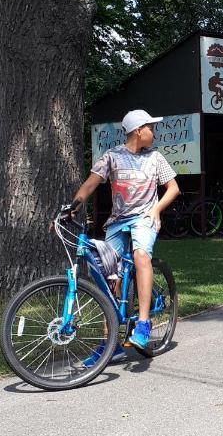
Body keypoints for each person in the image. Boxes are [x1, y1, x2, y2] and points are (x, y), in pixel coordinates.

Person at [72, 109, 179, 361]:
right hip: (118, 222)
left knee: (141, 255)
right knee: (108, 276)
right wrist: (72, 207)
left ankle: (143, 323)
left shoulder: (155, 158)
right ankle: (110, 343)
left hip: (145, 218)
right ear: (138, 131)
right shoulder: (112, 157)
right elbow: (90, 183)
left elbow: (173, 188)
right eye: (151, 128)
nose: (155, 133)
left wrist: (156, 209)